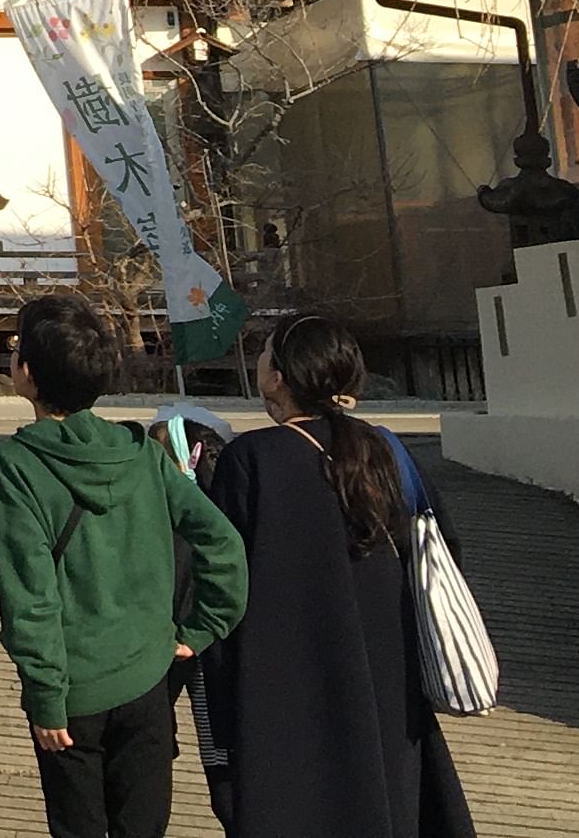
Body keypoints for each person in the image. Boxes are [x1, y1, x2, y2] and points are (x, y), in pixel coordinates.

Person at [194, 314, 473, 838]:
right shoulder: (384, 451)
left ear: (280, 374)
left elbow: (220, 582)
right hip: (388, 678)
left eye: (266, 351)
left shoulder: (251, 459)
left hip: (281, 688)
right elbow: (445, 550)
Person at [0, 290, 248, 837]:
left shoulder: (18, 463)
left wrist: (45, 694)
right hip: (149, 676)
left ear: (27, 373)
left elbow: (29, 591)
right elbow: (221, 540)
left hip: (74, 690)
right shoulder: (143, 452)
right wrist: (203, 628)